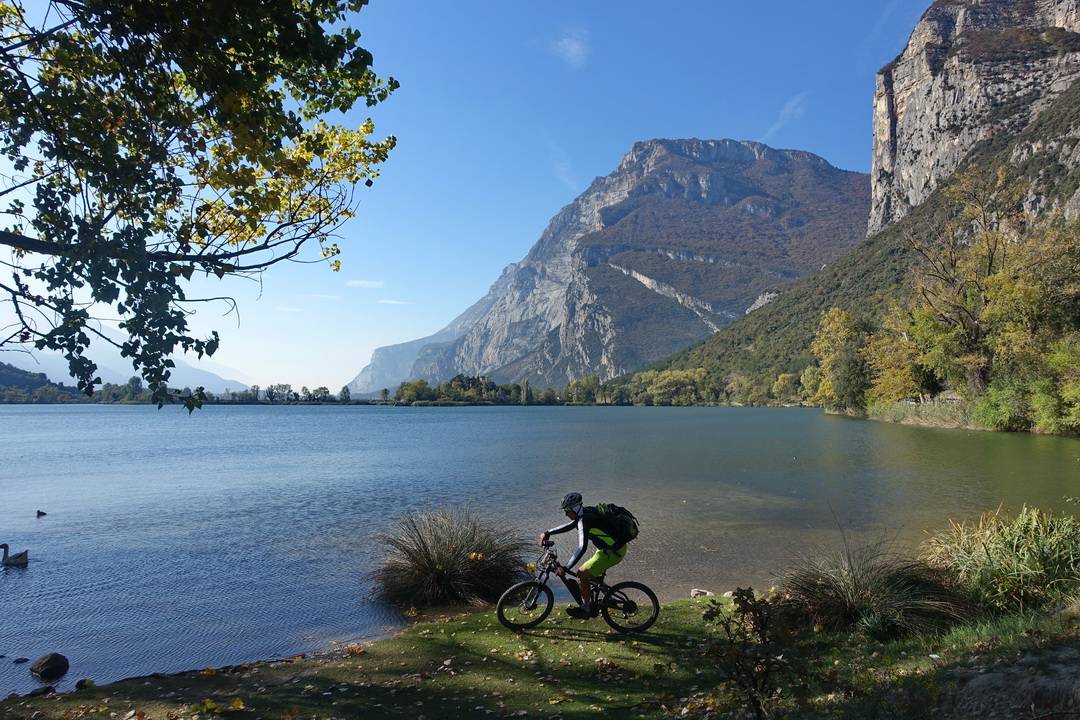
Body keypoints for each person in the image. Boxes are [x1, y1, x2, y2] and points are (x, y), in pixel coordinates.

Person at [539, 492, 628, 619]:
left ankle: (586, 609)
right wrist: (548, 532)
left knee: (581, 574)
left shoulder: (584, 520)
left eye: (567, 510)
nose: (565, 514)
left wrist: (566, 568)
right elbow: (571, 525)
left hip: (612, 553)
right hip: (610, 549)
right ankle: (610, 598)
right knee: (590, 576)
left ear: (575, 509)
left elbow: (582, 548)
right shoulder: (585, 512)